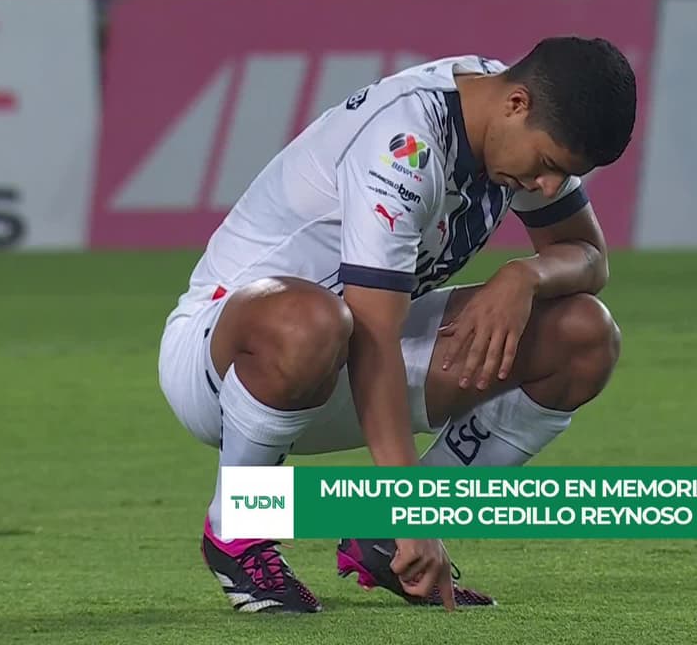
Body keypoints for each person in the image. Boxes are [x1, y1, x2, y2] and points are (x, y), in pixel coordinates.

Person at [156, 36, 635, 614]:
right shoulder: (404, 144)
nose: (549, 187)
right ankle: (238, 529)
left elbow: (587, 255)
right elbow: (374, 335)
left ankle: (381, 535)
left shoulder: (511, 108)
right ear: (515, 106)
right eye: (550, 166)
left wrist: (525, 276)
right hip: (228, 362)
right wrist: (415, 510)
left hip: (351, 357)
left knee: (584, 335)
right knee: (315, 321)